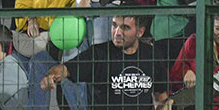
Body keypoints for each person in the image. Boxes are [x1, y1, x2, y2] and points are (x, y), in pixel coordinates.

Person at [40, 15, 170, 109]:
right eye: (114, 26)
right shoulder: (98, 53)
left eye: (125, 27)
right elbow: (67, 68)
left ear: (140, 32)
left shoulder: (152, 54)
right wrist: (51, 75)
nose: (117, 33)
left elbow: (161, 96)